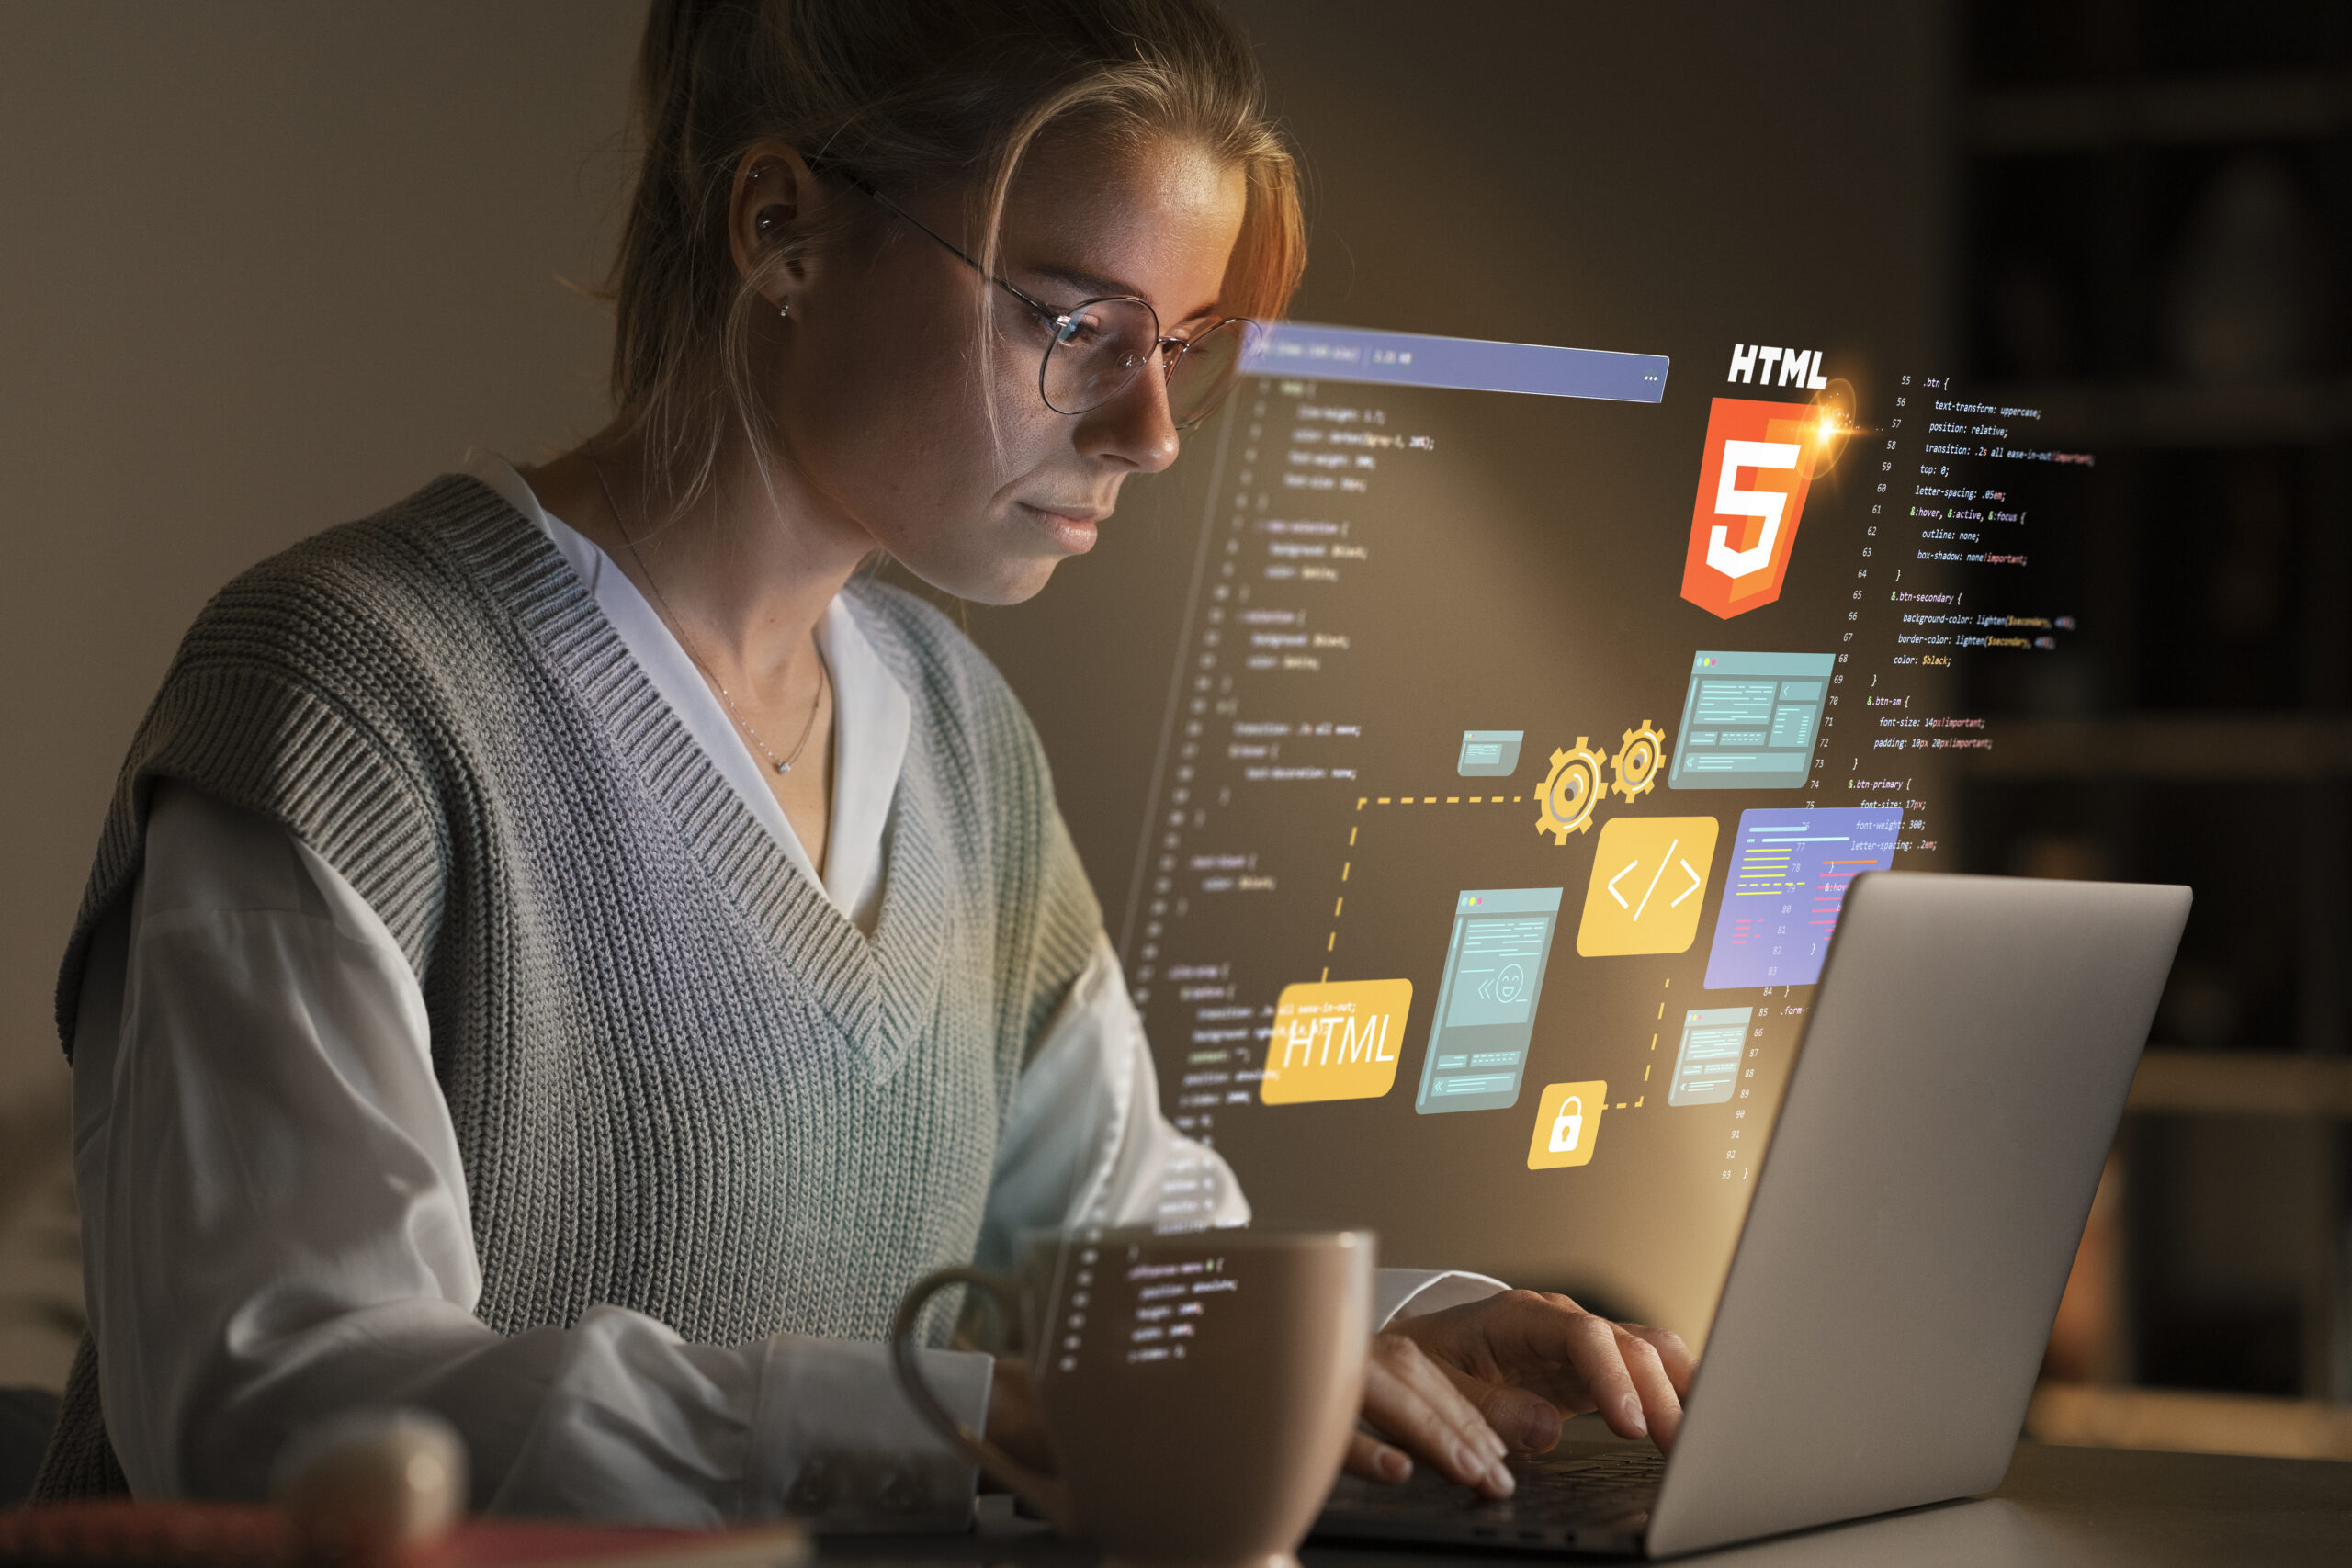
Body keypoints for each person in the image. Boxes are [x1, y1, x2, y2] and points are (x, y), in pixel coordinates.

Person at [41, 0, 1690, 1527]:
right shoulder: (350, 696)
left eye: (1180, 345)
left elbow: (1119, 1266)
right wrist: (950, 1427)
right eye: (1073, 321)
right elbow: (279, 1405)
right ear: (783, 229)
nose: (1151, 431)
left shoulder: (960, 739)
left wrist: (1411, 1329)